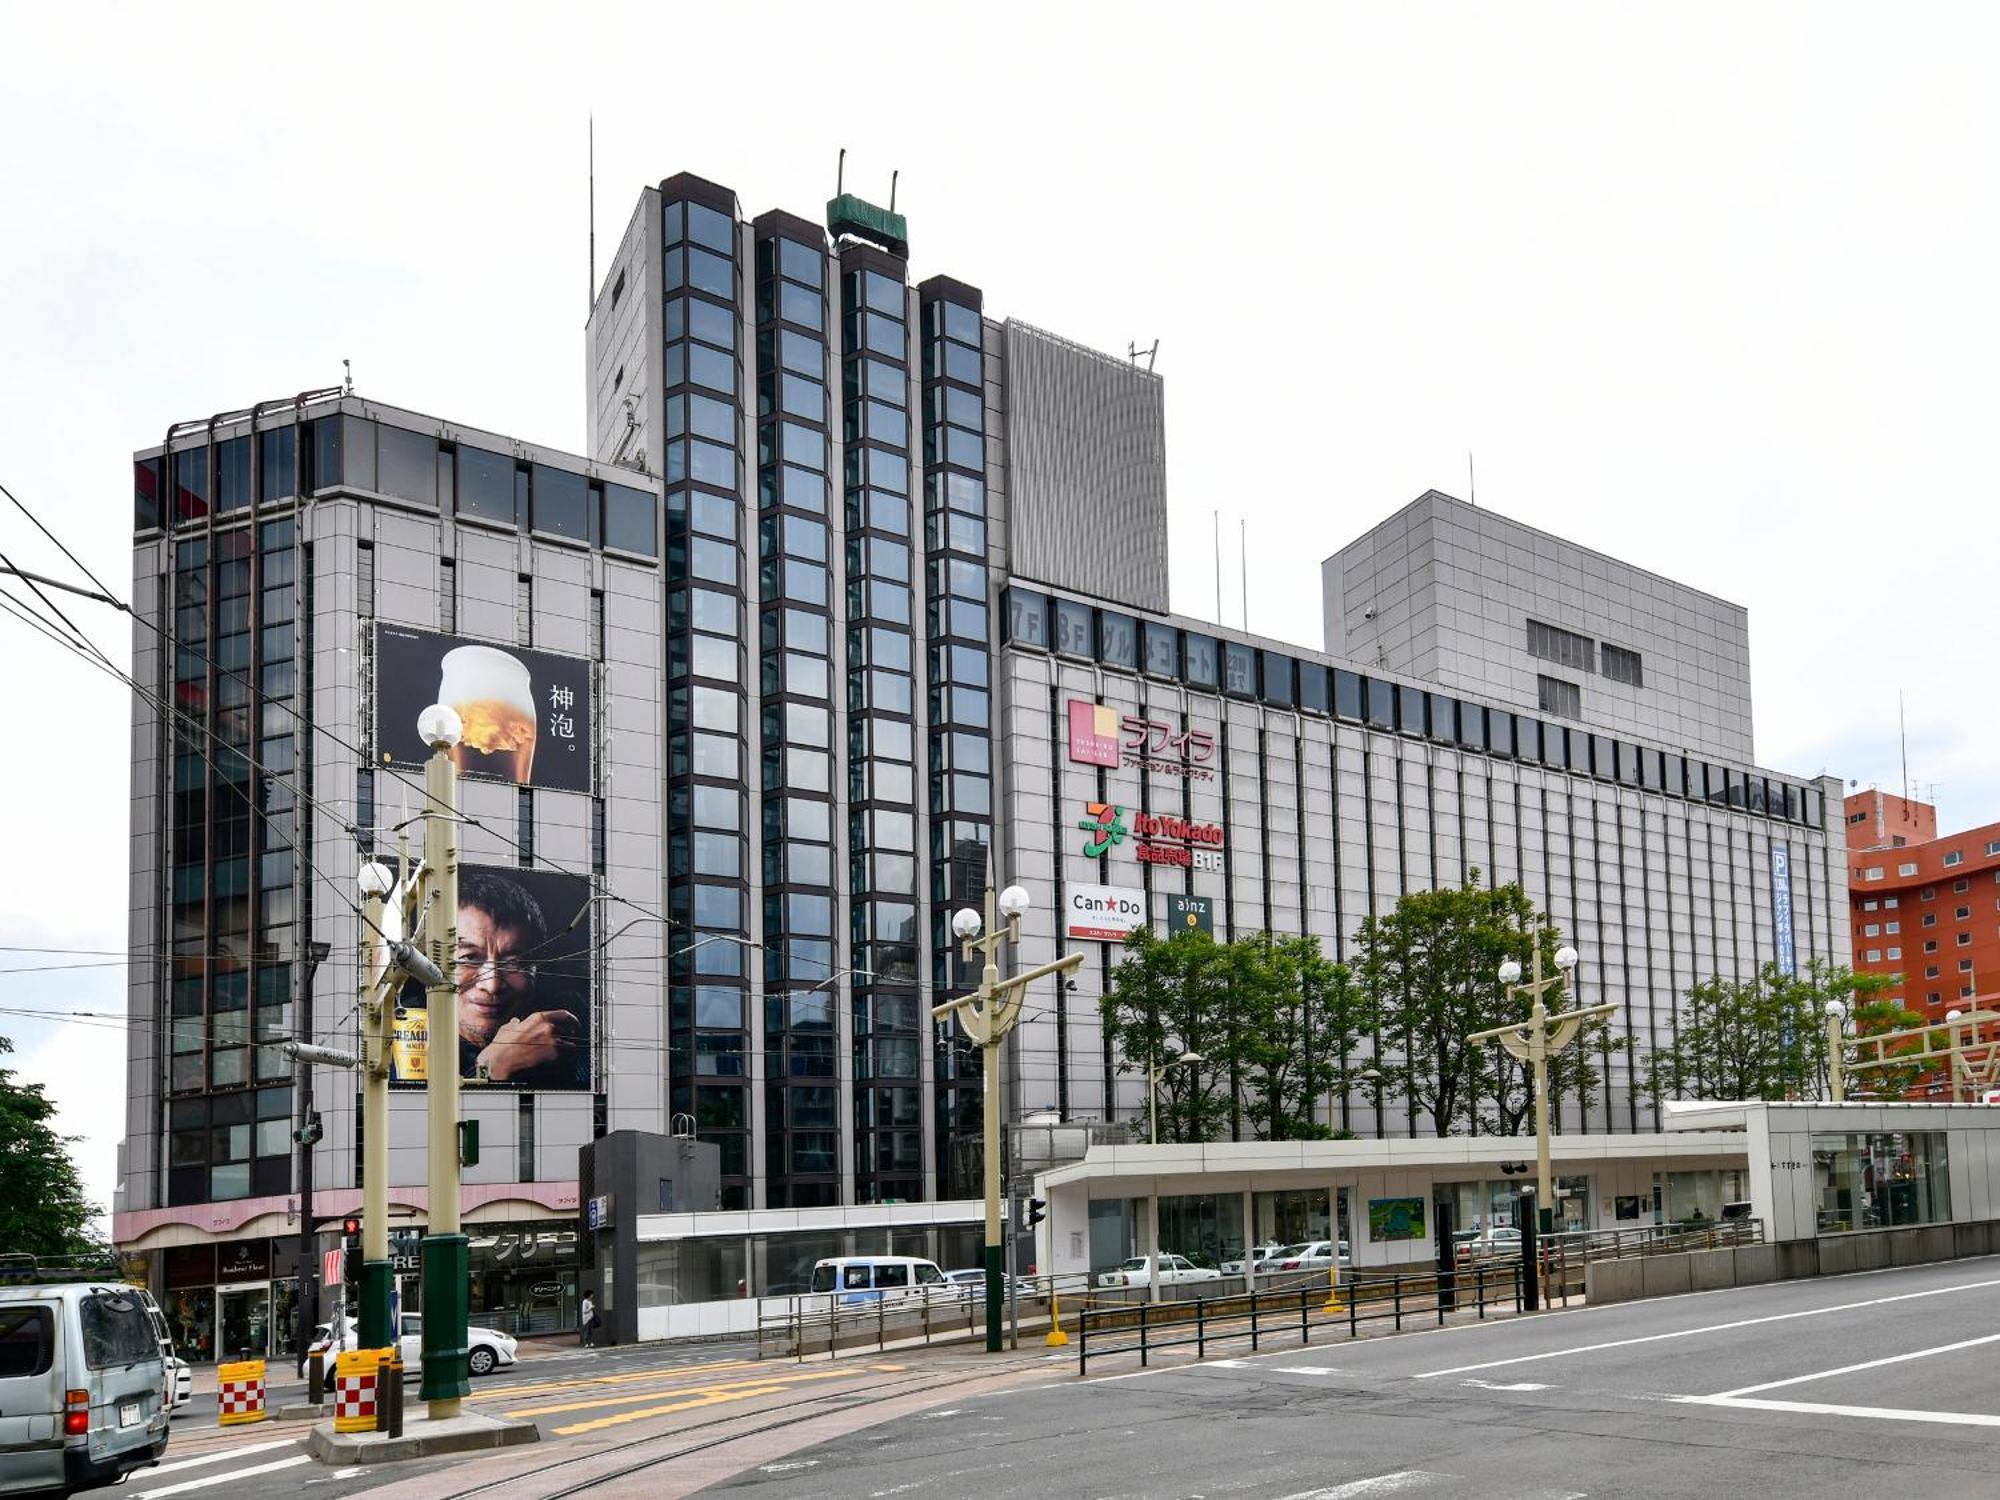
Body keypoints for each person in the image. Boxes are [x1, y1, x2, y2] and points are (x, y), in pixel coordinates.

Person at [453, 872, 587, 1088]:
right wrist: (493, 1067)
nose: (492, 985)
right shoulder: (397, 1036)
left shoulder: (576, 1023)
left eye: (514, 963)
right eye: (469, 958)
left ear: (537, 969)